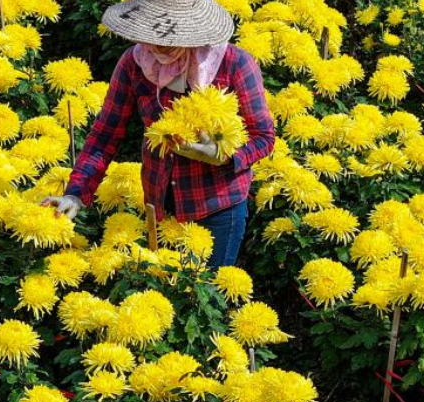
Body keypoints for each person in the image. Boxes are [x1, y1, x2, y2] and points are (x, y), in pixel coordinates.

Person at [42, 0, 276, 268]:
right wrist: (75, 193)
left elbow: (264, 137)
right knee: (164, 296)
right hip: (160, 206)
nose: (159, 45)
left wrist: (222, 156)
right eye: (151, 33)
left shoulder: (233, 63)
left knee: (206, 298)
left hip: (218, 206)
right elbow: (104, 135)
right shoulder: (135, 63)